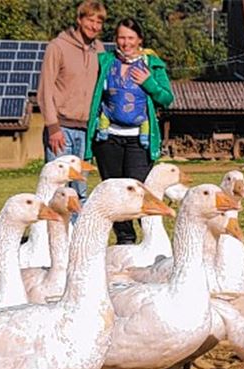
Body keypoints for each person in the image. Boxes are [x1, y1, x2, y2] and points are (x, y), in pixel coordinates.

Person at [86, 17, 174, 245]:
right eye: (121, 38)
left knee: (136, 191)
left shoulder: (153, 65)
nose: (126, 43)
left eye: (131, 38)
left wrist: (148, 82)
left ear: (140, 40)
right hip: (108, 139)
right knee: (114, 192)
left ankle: (151, 241)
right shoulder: (105, 62)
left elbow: (167, 98)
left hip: (139, 140)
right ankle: (125, 240)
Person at [37, 0, 106, 206]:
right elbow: (45, 90)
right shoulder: (57, 47)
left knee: (80, 191)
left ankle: (76, 237)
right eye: (90, 20)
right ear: (79, 19)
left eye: (99, 22)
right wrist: (53, 126)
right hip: (61, 129)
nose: (94, 26)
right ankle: (52, 237)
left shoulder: (100, 50)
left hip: (86, 131)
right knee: (57, 190)